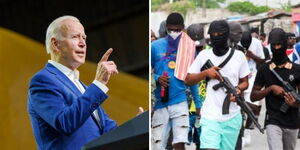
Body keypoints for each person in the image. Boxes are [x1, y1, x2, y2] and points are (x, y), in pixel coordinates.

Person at [28, 16, 120, 150]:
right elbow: (65, 123)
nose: (82, 43)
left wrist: (137, 125)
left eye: (84, 38)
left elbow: (108, 129)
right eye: (75, 37)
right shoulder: (42, 80)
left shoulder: (82, 86)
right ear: (55, 44)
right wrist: (99, 83)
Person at [185, 20, 250, 150]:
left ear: (226, 35)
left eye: (220, 34)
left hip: (231, 116)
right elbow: (188, 79)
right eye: (213, 34)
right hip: (210, 116)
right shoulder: (204, 55)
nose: (216, 37)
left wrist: (237, 89)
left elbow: (245, 82)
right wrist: (205, 73)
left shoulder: (239, 56)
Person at [151, 12, 201, 150]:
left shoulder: (189, 49)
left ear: (183, 28)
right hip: (160, 102)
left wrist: (198, 104)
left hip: (180, 101)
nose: (174, 32)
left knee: (179, 142)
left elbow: (192, 79)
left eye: (177, 30)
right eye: (171, 29)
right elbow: (148, 74)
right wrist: (157, 78)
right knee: (157, 145)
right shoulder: (155, 46)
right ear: (166, 28)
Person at [251, 28, 300, 150]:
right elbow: (253, 96)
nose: (277, 48)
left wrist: (294, 103)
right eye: (273, 45)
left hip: (292, 121)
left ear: (284, 44)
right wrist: (270, 89)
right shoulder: (265, 69)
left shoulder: (296, 69)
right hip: (273, 120)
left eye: (279, 44)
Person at [240, 31, 265, 147]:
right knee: (239, 108)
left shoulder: (257, 43)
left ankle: (247, 133)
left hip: (252, 78)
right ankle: (241, 134)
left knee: (250, 108)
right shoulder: (235, 43)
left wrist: (252, 56)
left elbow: (263, 61)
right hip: (238, 80)